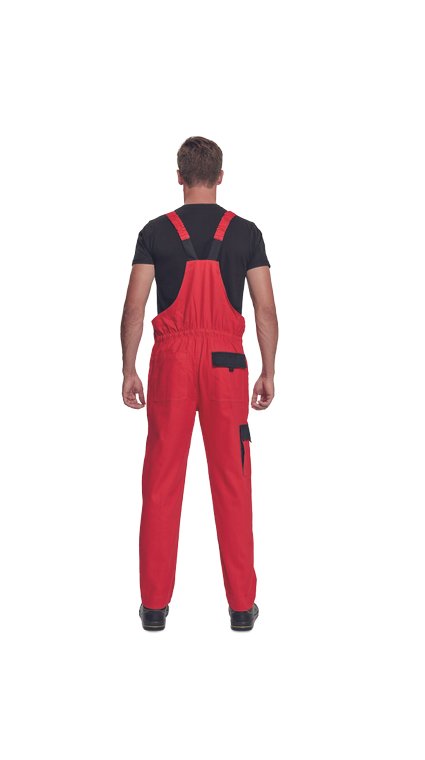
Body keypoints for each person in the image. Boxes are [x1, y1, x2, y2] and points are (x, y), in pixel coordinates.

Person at [120, 136, 278, 632]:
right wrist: (268, 369)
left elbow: (134, 307)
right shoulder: (246, 233)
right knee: (233, 483)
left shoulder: (155, 232)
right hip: (226, 366)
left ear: (180, 177)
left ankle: (153, 607)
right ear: (220, 177)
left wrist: (129, 368)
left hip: (171, 364)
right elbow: (265, 308)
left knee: (161, 483)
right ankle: (241, 608)